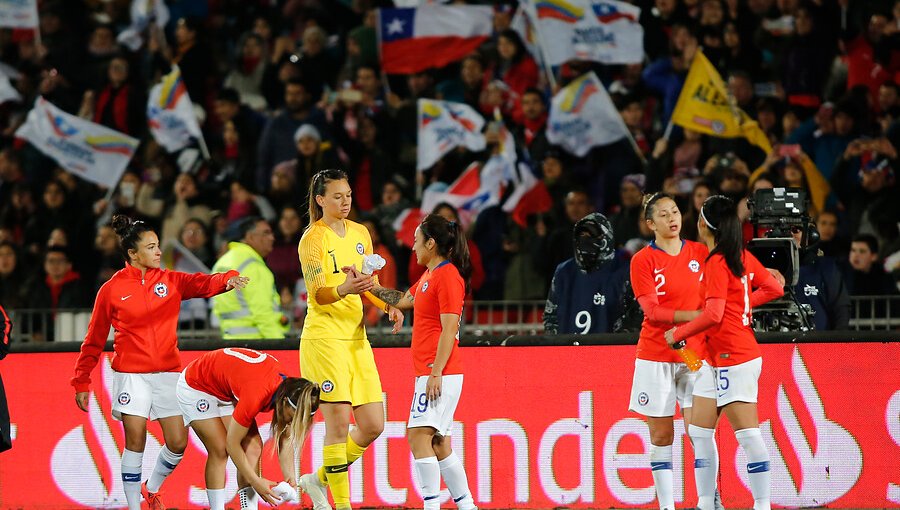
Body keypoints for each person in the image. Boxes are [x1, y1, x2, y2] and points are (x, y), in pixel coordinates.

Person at [71, 215, 249, 510]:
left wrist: (227, 278)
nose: (158, 252)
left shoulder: (171, 280)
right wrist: (81, 380)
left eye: (157, 246)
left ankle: (150, 489)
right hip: (131, 375)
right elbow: (93, 338)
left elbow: (203, 283)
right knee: (136, 438)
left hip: (168, 373)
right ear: (132, 254)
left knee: (177, 442)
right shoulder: (112, 289)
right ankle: (133, 506)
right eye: (151, 247)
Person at [665, 195, 784, 510]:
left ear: (704, 224)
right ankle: (706, 503)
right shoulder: (738, 256)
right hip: (715, 361)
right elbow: (774, 288)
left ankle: (762, 505)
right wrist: (741, 306)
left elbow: (715, 314)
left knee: (748, 436)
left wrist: (678, 333)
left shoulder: (718, 261)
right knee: (700, 432)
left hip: (734, 357)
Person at [296, 169, 401, 510]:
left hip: (356, 340)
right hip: (325, 341)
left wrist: (388, 304)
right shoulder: (313, 239)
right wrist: (345, 288)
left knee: (373, 424)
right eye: (337, 196)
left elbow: (367, 282)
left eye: (349, 196)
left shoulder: (360, 233)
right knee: (338, 427)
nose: (345, 202)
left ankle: (317, 480)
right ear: (320, 200)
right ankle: (342, 506)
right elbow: (319, 293)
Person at [369, 214, 477, 510]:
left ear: (431, 243)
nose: (413, 247)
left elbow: (450, 329)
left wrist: (436, 373)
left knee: (417, 436)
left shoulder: (448, 276)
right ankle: (466, 505)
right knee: (439, 442)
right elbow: (402, 300)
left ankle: (431, 505)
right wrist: (369, 285)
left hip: (438, 371)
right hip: (433, 371)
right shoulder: (430, 276)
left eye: (417, 241)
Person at [627, 193, 711, 510]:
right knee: (662, 437)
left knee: (701, 433)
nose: (672, 218)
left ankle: (707, 501)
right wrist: (698, 316)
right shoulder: (642, 261)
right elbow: (652, 310)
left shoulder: (700, 253)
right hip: (656, 356)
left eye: (675, 211)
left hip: (694, 355)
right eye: (663, 215)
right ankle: (667, 506)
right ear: (651, 224)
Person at [176, 347, 319, 510]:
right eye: (295, 416)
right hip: (197, 385)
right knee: (220, 449)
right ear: (285, 401)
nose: (294, 421)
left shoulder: (290, 390)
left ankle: (248, 508)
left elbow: (284, 439)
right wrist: (255, 481)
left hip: (225, 388)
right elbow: (232, 444)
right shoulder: (257, 393)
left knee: (253, 447)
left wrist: (290, 478)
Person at [544, 213, 629, 334]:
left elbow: (632, 316)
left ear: (605, 238)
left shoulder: (624, 271)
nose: (585, 240)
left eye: (592, 235)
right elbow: (551, 316)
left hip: (607, 351)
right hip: (567, 351)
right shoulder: (564, 271)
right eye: (581, 235)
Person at [211, 216, 288, 339]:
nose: (272, 238)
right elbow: (263, 314)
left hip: (229, 340)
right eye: (266, 233)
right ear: (250, 237)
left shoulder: (222, 262)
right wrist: (281, 346)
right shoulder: (253, 267)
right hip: (256, 343)